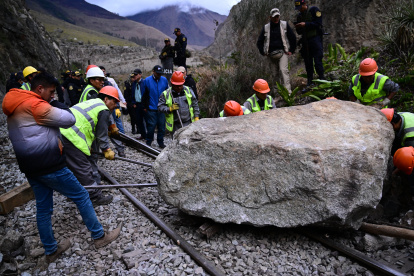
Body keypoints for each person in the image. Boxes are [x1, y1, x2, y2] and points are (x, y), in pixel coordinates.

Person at [2, 72, 120, 263]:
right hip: (49, 164)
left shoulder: (15, 105)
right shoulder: (36, 105)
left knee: (43, 207)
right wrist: (55, 106)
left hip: (30, 167)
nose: (53, 96)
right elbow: (69, 119)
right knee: (81, 195)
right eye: (50, 92)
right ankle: (99, 237)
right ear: (39, 89)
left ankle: (50, 250)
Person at [60, 86, 121, 206]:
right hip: (72, 137)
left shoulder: (94, 103)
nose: (115, 106)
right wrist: (106, 150)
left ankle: (75, 194)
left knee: (73, 167)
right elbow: (101, 135)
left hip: (62, 133)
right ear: (106, 99)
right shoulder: (103, 109)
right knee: (83, 168)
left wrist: (111, 126)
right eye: (114, 102)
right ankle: (94, 197)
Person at [257, 8, 296, 93]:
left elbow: (292, 37)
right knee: (274, 74)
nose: (276, 18)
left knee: (283, 71)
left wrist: (291, 50)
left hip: (283, 53)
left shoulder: (284, 24)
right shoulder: (266, 27)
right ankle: (276, 93)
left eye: (277, 16)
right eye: (274, 17)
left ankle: (288, 93)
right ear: (270, 17)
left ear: (279, 16)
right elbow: (259, 41)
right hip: (271, 55)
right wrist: (262, 52)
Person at [294, 0, 325, 87]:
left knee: (318, 60)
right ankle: (310, 81)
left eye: (300, 7)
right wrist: (298, 27)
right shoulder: (299, 16)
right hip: (305, 41)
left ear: (304, 4)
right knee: (308, 62)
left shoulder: (314, 10)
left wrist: (306, 24)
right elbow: (299, 32)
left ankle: (322, 78)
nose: (299, 10)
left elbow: (318, 23)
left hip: (315, 39)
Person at [142, 65, 169, 148]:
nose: (159, 75)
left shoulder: (164, 80)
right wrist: (145, 107)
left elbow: (168, 93)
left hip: (162, 108)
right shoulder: (147, 81)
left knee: (161, 127)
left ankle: (160, 142)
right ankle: (149, 141)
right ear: (153, 71)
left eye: (160, 73)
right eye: (157, 73)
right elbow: (143, 94)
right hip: (151, 107)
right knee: (151, 126)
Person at [131, 69, 147, 140]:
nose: (135, 76)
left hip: (143, 104)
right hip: (137, 104)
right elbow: (133, 93)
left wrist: (146, 104)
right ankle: (143, 134)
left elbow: (146, 93)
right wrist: (133, 102)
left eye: (136, 74)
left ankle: (148, 135)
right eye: (134, 74)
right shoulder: (134, 83)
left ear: (140, 75)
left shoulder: (144, 82)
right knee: (139, 120)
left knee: (146, 120)